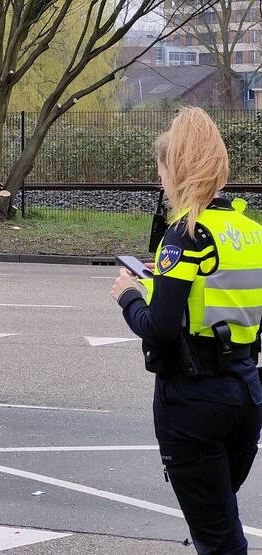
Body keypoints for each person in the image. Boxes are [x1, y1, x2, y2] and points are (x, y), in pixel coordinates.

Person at [111, 107, 262, 554]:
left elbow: (158, 331)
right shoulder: (248, 229)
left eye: (161, 169)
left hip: (193, 396)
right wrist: (168, 279)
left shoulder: (185, 233)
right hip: (247, 391)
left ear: (174, 167)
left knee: (218, 539)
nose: (159, 181)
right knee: (218, 518)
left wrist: (129, 297)